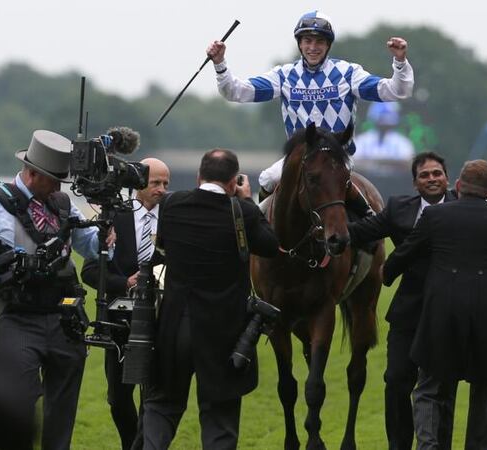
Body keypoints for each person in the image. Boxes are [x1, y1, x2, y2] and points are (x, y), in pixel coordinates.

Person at [348, 151, 487, 450]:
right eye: (424, 175)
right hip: (422, 313)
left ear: (454, 183)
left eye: (437, 173)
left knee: (436, 387)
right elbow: (365, 231)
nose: (431, 179)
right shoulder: (401, 208)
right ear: (414, 182)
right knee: (405, 382)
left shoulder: (443, 214)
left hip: (444, 314)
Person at [0, 130, 104, 450]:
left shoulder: (61, 202)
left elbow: (89, 248)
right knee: (18, 399)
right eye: (53, 179)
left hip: (64, 317)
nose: (60, 187)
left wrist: (108, 230)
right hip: (19, 319)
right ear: (32, 174)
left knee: (63, 407)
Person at [206, 10, 414, 215]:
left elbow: (397, 91)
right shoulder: (285, 76)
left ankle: (370, 224)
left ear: (328, 45)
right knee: (267, 178)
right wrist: (220, 64)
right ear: (300, 43)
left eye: (319, 42)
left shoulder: (348, 73)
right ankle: (262, 229)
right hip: (299, 157)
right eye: (307, 41)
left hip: (337, 157)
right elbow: (236, 92)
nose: (312, 47)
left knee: (349, 195)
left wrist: (400, 62)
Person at [142, 149, 278, 449]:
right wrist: (245, 200)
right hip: (223, 332)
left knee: (162, 405)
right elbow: (270, 245)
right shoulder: (242, 211)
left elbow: (163, 243)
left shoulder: (172, 204)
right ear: (233, 181)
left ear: (198, 176)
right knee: (220, 417)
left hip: (174, 326)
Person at [81, 158, 170, 450]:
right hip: (119, 322)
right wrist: (126, 283)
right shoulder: (113, 217)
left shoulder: (174, 216)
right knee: (119, 398)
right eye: (155, 183)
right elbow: (90, 271)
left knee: (153, 397)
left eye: (165, 184)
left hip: (161, 319)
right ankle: (132, 443)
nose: (161, 190)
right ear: (138, 184)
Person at [353, 102, 415, 173]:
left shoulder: (402, 142)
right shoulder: (362, 140)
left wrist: (372, 163)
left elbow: (408, 164)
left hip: (394, 182)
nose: (385, 121)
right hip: (368, 181)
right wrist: (391, 164)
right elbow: (353, 163)